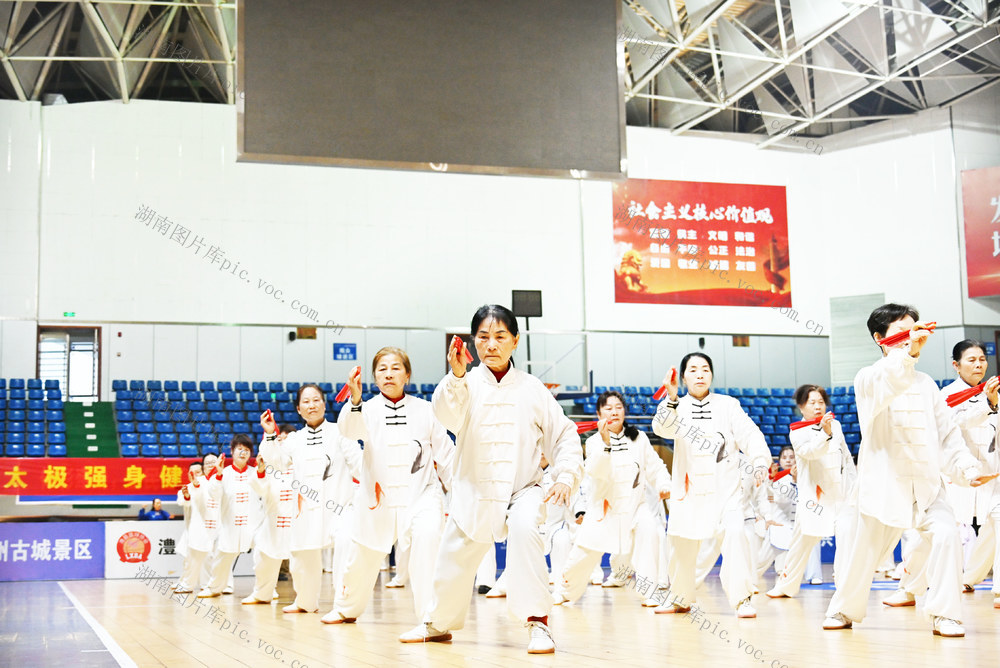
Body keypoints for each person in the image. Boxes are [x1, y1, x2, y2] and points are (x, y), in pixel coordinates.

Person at [398, 304, 583, 654]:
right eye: (483, 337)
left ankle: (538, 624)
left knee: (527, 529)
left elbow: (564, 436)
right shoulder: (462, 384)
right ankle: (437, 623)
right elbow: (447, 415)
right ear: (473, 343)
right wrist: (454, 376)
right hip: (474, 491)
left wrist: (566, 474)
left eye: (500, 337)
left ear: (515, 341)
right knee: (453, 557)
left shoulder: (533, 389)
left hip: (523, 490)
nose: (492, 345)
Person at [822, 304, 996, 637]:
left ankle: (945, 614)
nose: (911, 338)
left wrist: (968, 469)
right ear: (879, 338)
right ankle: (844, 609)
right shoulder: (868, 378)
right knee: (863, 553)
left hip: (927, 486)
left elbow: (947, 437)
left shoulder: (928, 384)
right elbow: (891, 378)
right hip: (882, 486)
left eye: (914, 331)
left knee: (946, 536)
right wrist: (909, 355)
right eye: (902, 332)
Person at [322, 347, 455, 624]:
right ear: (373, 377)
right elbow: (349, 430)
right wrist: (355, 400)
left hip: (421, 496)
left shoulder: (426, 409)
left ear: (407, 375)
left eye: (396, 368)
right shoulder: (365, 409)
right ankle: (347, 607)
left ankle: (432, 621)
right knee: (361, 555)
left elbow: (447, 456)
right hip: (377, 498)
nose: (389, 374)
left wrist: (461, 494)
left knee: (428, 541)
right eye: (382, 369)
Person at [651, 352, 771, 618]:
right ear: (683, 377)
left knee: (736, 533)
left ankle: (742, 599)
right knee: (682, 544)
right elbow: (662, 429)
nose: (700, 374)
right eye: (693, 370)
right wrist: (670, 398)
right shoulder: (676, 405)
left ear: (712, 374)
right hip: (688, 489)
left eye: (705, 369)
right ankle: (680, 597)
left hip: (725, 490)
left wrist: (760, 460)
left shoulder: (728, 404)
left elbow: (749, 433)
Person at [886, 340, 999, 607]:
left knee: (996, 525)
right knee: (930, 537)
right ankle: (908, 589)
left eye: (982, 359)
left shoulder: (995, 393)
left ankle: (986, 585)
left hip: (992, 476)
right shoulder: (944, 395)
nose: (979, 364)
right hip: (956, 476)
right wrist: (988, 404)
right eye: (971, 360)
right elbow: (956, 425)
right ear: (956, 365)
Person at [552, 391, 670, 606]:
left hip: (635, 506)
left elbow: (655, 467)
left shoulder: (640, 438)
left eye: (618, 407)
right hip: (603, 508)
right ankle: (565, 591)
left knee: (649, 529)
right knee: (582, 555)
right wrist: (606, 443)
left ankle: (649, 591)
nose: (614, 412)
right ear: (598, 413)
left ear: (624, 411)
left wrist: (664, 484)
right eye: (608, 408)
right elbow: (596, 470)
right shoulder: (595, 442)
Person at [259, 385, 360, 613]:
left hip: (339, 506)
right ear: (298, 409)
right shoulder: (294, 439)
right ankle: (305, 601)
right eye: (306, 402)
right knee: (301, 555)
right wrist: (270, 433)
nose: (312, 405)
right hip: (305, 508)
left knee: (345, 545)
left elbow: (358, 462)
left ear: (324, 405)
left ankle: (344, 605)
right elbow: (276, 461)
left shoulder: (340, 431)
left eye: (316, 400)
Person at [767, 386, 857, 598]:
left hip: (839, 493)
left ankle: (843, 583)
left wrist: (854, 487)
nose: (818, 406)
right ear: (801, 407)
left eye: (821, 402)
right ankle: (785, 585)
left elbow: (846, 457)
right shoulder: (797, 430)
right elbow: (809, 452)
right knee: (801, 543)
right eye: (812, 403)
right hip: (814, 497)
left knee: (846, 534)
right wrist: (825, 434)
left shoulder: (836, 424)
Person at [199, 435, 261, 598]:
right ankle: (214, 588)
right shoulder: (223, 473)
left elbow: (264, 491)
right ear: (232, 451)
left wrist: (261, 473)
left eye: (247, 450)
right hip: (230, 525)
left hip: (254, 524)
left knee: (262, 556)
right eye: (239, 449)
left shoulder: (255, 473)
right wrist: (218, 475)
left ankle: (265, 590)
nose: (243, 452)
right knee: (222, 559)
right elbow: (214, 494)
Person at [242, 454, 294, 605]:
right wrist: (261, 470)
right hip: (273, 523)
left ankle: (306, 600)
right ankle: (262, 594)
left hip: (297, 522)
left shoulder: (301, 465)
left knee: (302, 565)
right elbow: (260, 489)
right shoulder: (270, 469)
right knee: (262, 558)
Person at [174, 458, 219, 594]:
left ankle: (207, 585)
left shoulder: (212, 485)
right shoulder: (185, 489)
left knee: (209, 558)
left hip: (213, 527)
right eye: (192, 473)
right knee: (191, 559)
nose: (195, 475)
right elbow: (184, 503)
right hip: (193, 528)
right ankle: (186, 583)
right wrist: (188, 496)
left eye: (198, 472)